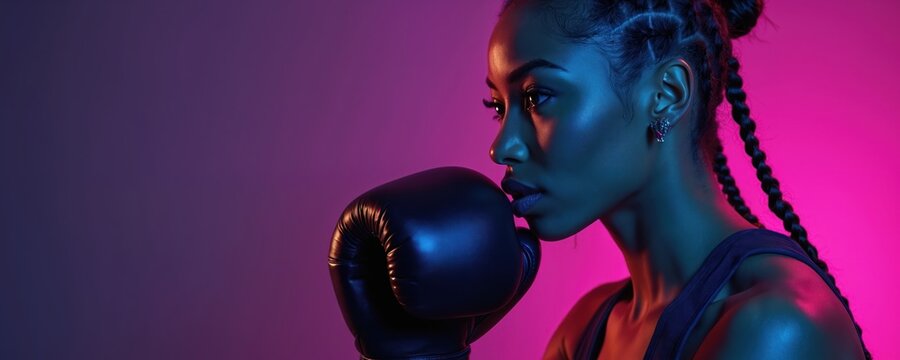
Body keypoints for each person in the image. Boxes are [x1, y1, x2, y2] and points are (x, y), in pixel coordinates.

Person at [482, 0, 869, 359]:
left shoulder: (776, 325)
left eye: (537, 97)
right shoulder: (585, 328)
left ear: (667, 94)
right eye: (499, 107)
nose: (502, 148)